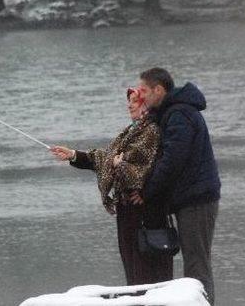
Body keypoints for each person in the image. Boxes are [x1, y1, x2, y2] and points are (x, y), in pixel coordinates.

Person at [50, 88, 173, 285]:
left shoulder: (151, 130)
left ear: (146, 104)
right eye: (129, 101)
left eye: (134, 101)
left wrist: (121, 165)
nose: (129, 105)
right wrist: (73, 154)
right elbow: (105, 158)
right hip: (127, 209)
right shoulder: (130, 131)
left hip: (144, 211)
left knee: (147, 268)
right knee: (131, 265)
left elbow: (148, 170)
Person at [130, 67, 221, 305]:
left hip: (197, 198)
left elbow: (171, 161)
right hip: (190, 197)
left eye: (144, 91)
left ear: (159, 90)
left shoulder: (179, 115)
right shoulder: (169, 113)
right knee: (196, 261)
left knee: (196, 264)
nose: (142, 97)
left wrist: (146, 192)